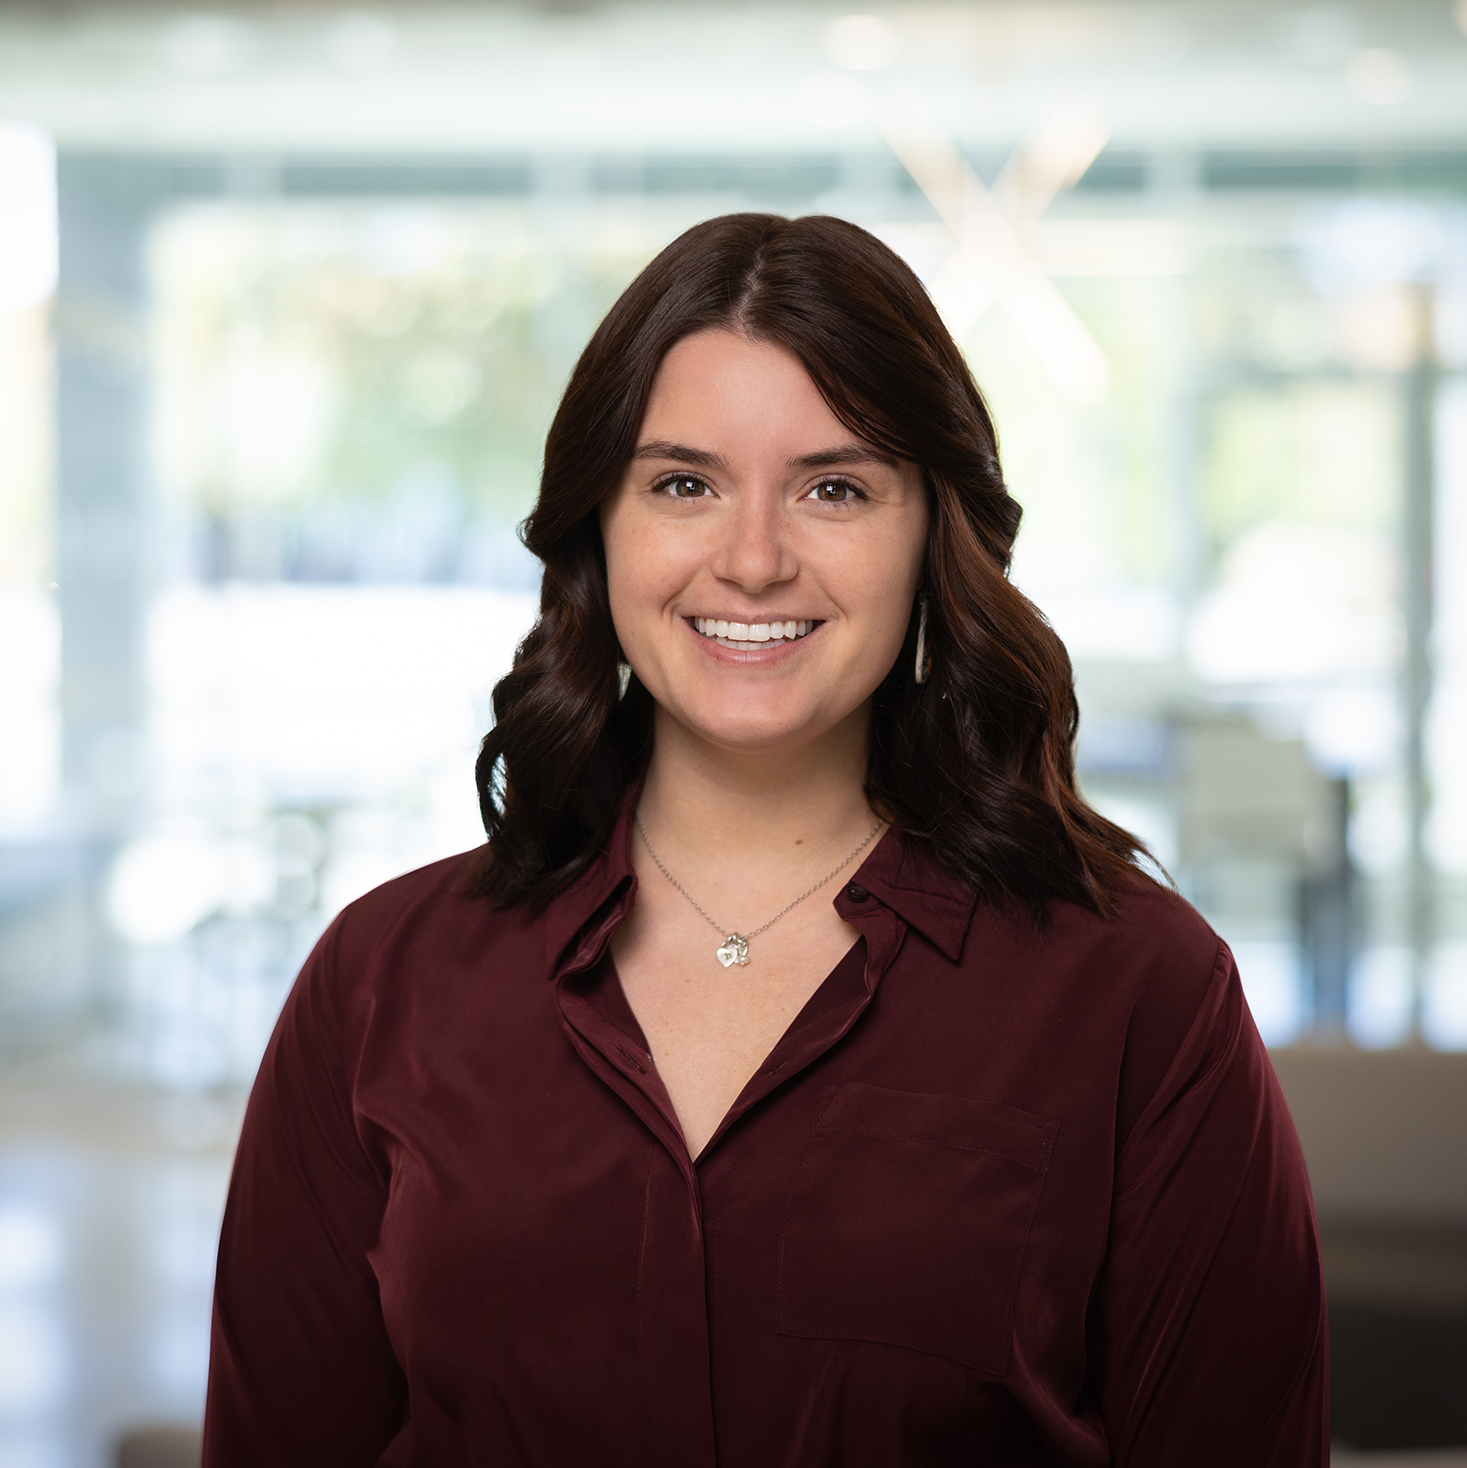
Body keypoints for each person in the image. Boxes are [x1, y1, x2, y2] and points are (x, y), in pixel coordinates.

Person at [203, 213, 1327, 1466]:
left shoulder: (1140, 989)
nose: (751, 560)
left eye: (834, 488)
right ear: (602, 527)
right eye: (684, 483)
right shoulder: (381, 981)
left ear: (931, 533)